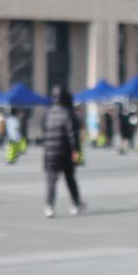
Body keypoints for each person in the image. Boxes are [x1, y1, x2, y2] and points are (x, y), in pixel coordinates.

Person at [42, 87, 85, 218]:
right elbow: (72, 134)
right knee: (70, 178)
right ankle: (75, 204)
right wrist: (76, 150)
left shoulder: (48, 113)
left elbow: (44, 130)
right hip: (65, 151)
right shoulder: (68, 113)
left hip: (50, 151)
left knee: (51, 180)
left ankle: (49, 206)